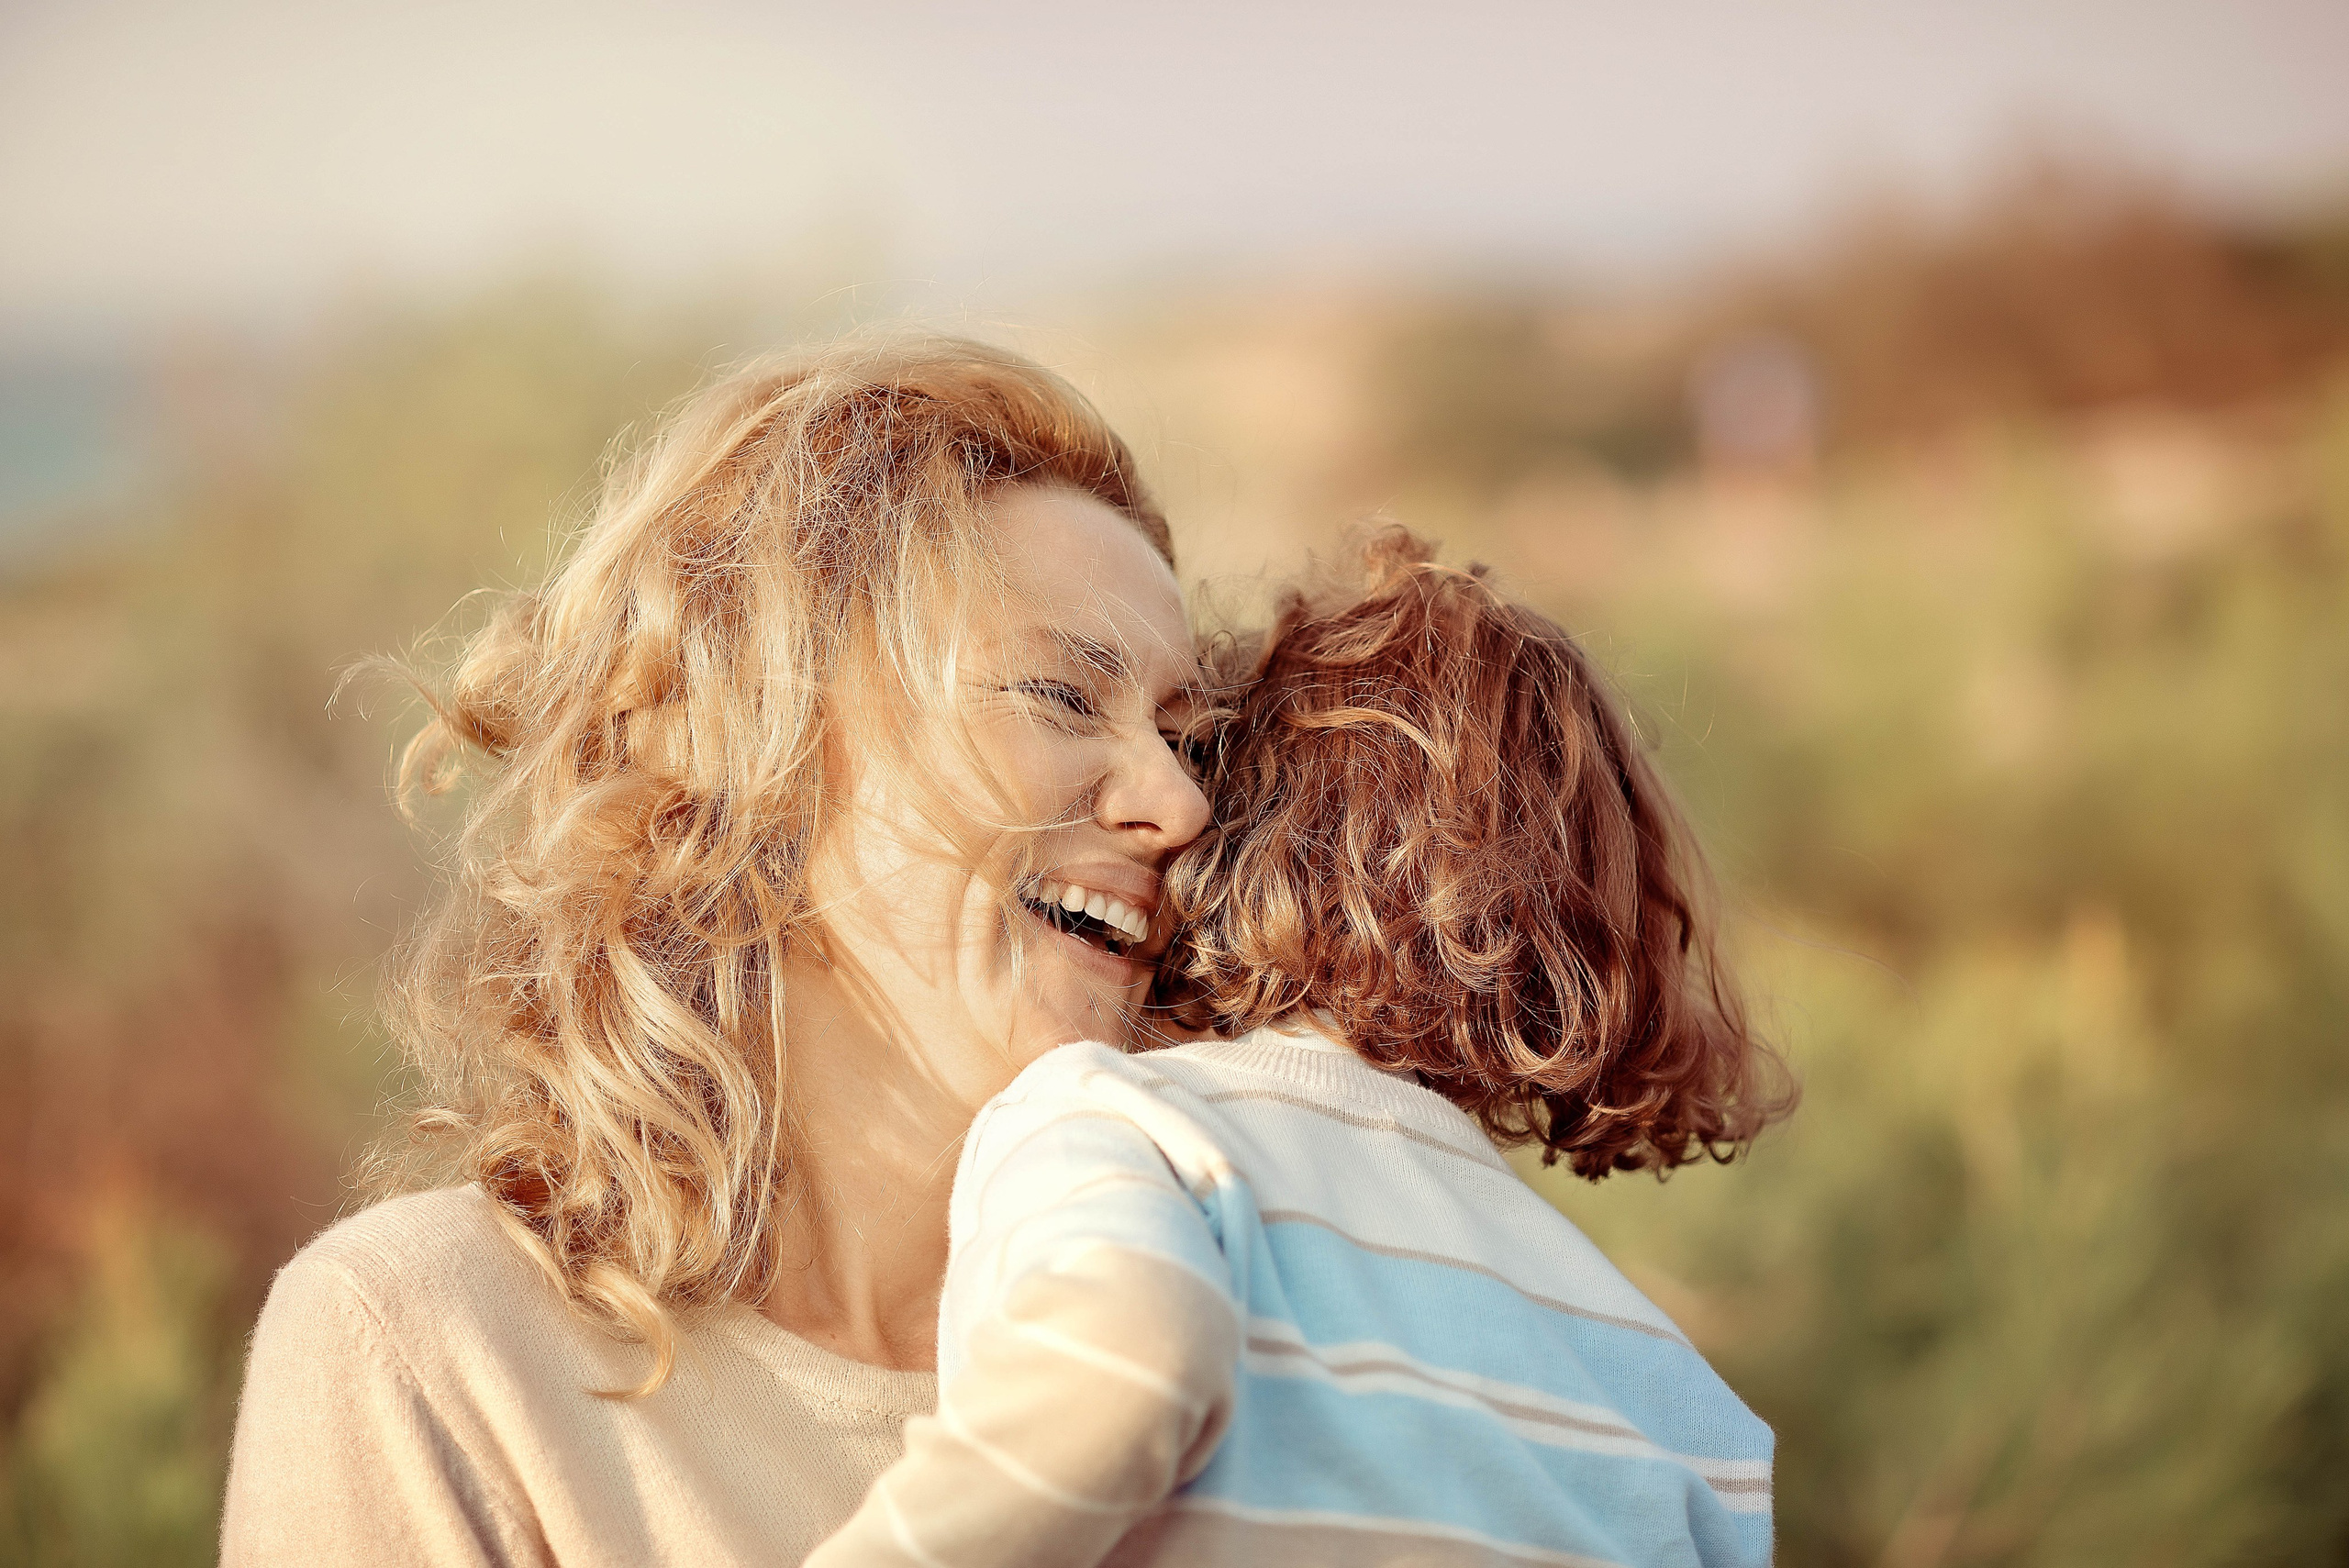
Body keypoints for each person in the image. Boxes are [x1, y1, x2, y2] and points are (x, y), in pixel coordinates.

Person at [219, 336, 1213, 1565]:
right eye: (1064, 697)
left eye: (1190, 740)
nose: (1180, 806)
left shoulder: (1239, 1355)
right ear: (764, 737)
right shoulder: (439, 1350)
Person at [805, 529, 1797, 1568]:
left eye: (1197, 758)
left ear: (1229, 836)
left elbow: (1123, 1367)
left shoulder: (1118, 1122)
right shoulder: (1650, 1359)